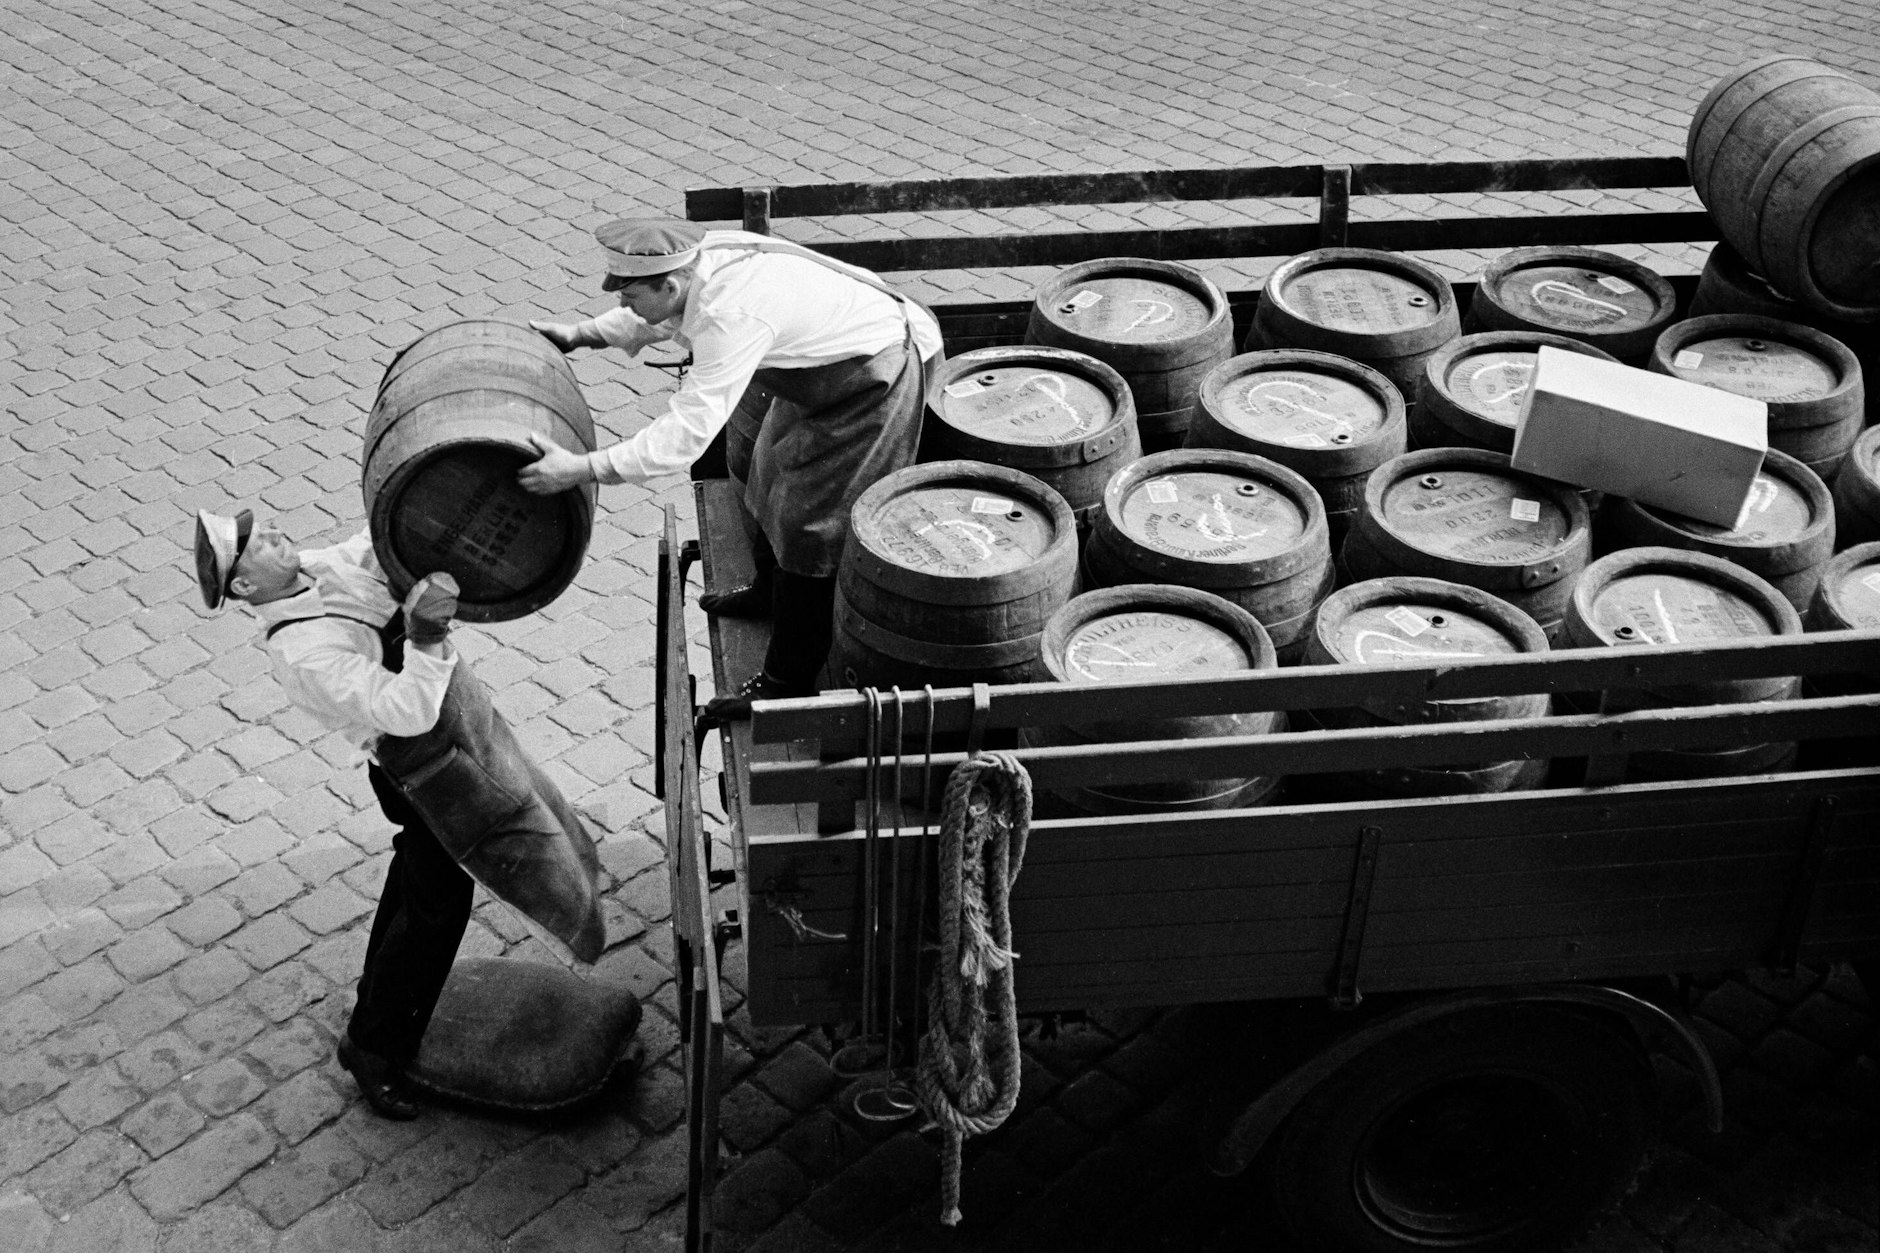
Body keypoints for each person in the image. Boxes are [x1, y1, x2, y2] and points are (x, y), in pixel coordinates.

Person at [518, 218, 943, 716]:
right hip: (825, 359)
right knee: (765, 472)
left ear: (670, 282)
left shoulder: (728, 316)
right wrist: (582, 334)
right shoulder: (692, 265)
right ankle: (768, 592)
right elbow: (657, 314)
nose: (622, 305)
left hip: (876, 369)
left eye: (627, 296)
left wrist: (584, 468)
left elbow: (683, 435)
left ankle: (787, 684)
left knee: (813, 528)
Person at [194, 510, 467, 1119]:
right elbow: (406, 711)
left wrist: (410, 502)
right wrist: (426, 638)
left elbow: (364, 548)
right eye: (255, 544)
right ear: (244, 587)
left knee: (424, 879)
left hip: (427, 753)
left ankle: (375, 1018)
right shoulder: (304, 653)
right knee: (440, 899)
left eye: (261, 526)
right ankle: (373, 1047)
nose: (271, 533)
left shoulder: (311, 571)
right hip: (408, 765)